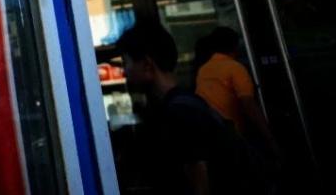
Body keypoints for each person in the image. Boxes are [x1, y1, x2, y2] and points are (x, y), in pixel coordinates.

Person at [116, 21, 266, 195]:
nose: (124, 72)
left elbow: (199, 182)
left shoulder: (179, 113)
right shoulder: (189, 103)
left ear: (147, 65)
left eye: (126, 62)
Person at [194, 26, 279, 157]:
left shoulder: (203, 70)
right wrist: (270, 138)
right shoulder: (235, 68)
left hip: (210, 135)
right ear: (236, 46)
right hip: (233, 136)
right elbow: (248, 104)